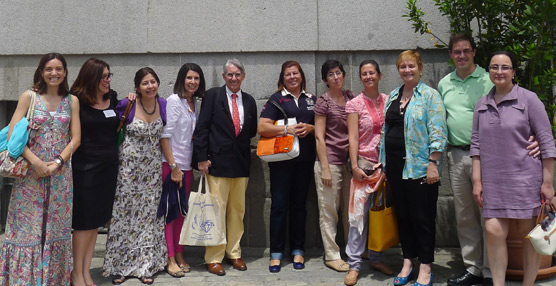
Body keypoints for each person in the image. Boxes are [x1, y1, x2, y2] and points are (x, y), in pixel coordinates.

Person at [470, 51, 556, 286]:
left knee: (530, 237)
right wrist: (477, 181)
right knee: (493, 231)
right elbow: (475, 146)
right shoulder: (482, 104)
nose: (499, 72)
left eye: (505, 67)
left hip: (525, 181)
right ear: (488, 71)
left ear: (514, 71)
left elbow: (547, 142)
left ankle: (528, 284)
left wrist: (548, 183)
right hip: (493, 182)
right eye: (494, 67)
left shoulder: (529, 100)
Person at [0, 53, 81, 286]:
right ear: (41, 72)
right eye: (48, 69)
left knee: (56, 225)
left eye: (58, 69)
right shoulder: (29, 97)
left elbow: (75, 139)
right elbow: (14, 134)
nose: (53, 73)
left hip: (61, 175)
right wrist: (35, 161)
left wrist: (57, 163)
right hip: (29, 174)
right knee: (28, 226)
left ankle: (53, 279)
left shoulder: (71, 101)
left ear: (65, 72)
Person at [379, 50, 447, 286]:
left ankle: (426, 266)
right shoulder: (393, 96)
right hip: (396, 167)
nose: (407, 70)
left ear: (420, 67)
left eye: (411, 66)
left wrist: (433, 163)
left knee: (423, 218)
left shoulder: (430, 96)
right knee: (404, 217)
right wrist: (384, 162)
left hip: (421, 167)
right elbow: (385, 131)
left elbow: (438, 132)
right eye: (402, 67)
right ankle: (408, 261)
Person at [103, 67, 168, 285]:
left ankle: (146, 265)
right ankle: (120, 266)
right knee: (125, 218)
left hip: (151, 173)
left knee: (149, 219)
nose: (150, 86)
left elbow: (164, 138)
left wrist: (175, 165)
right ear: (137, 87)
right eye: (145, 83)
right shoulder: (126, 104)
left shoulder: (163, 105)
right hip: (128, 172)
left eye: (153, 82)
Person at [193, 58, 257, 276]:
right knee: (215, 213)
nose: (233, 78)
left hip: (240, 164)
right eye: (229, 74)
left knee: (237, 212)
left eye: (237, 74)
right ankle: (213, 257)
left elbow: (251, 131)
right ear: (223, 77)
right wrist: (202, 158)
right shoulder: (212, 96)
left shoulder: (249, 101)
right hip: (216, 165)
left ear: (243, 76)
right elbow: (202, 128)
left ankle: (234, 253)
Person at [258, 60, 316, 273]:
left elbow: (321, 125)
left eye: (295, 73)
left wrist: (310, 127)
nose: (292, 77)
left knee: (300, 206)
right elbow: (262, 127)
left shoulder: (311, 99)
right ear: (282, 78)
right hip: (281, 162)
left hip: (305, 161)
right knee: (279, 206)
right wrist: (286, 130)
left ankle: (298, 250)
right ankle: (276, 254)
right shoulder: (277, 99)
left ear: (301, 75)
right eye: (288, 74)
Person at [344, 60, 394, 286]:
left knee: (378, 215)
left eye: (372, 72)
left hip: (385, 168)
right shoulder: (354, 104)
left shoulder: (389, 100)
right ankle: (354, 264)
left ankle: (375, 257)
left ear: (379, 75)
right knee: (359, 218)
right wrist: (354, 166)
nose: (368, 77)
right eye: (364, 73)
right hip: (363, 167)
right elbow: (353, 137)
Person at [70, 58, 118, 286]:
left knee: (96, 223)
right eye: (104, 77)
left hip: (108, 170)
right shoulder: (77, 101)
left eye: (109, 76)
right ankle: (76, 273)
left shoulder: (112, 98)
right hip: (86, 170)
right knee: (83, 223)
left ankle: (86, 272)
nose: (108, 80)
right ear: (93, 78)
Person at [160, 63, 205, 277]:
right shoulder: (174, 101)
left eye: (196, 78)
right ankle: (170, 259)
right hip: (172, 167)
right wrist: (173, 166)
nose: (193, 82)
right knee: (170, 214)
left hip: (187, 166)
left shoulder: (195, 101)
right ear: (181, 79)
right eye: (189, 78)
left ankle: (179, 253)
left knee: (182, 214)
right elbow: (165, 136)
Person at [313, 59, 352, 272]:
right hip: (329, 163)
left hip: (349, 164)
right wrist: (325, 168)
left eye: (338, 72)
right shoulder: (323, 102)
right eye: (331, 74)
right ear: (325, 80)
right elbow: (319, 137)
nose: (336, 77)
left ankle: (352, 251)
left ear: (343, 75)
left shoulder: (351, 98)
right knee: (329, 211)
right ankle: (332, 255)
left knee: (349, 211)